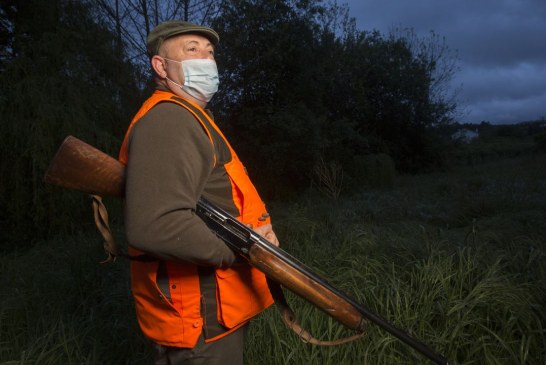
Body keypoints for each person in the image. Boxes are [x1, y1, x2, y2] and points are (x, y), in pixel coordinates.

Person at [118, 20, 279, 365]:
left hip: (214, 313)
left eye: (210, 52)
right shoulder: (170, 121)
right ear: (160, 66)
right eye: (192, 50)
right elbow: (156, 224)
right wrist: (243, 249)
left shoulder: (193, 118)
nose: (206, 60)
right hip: (201, 322)